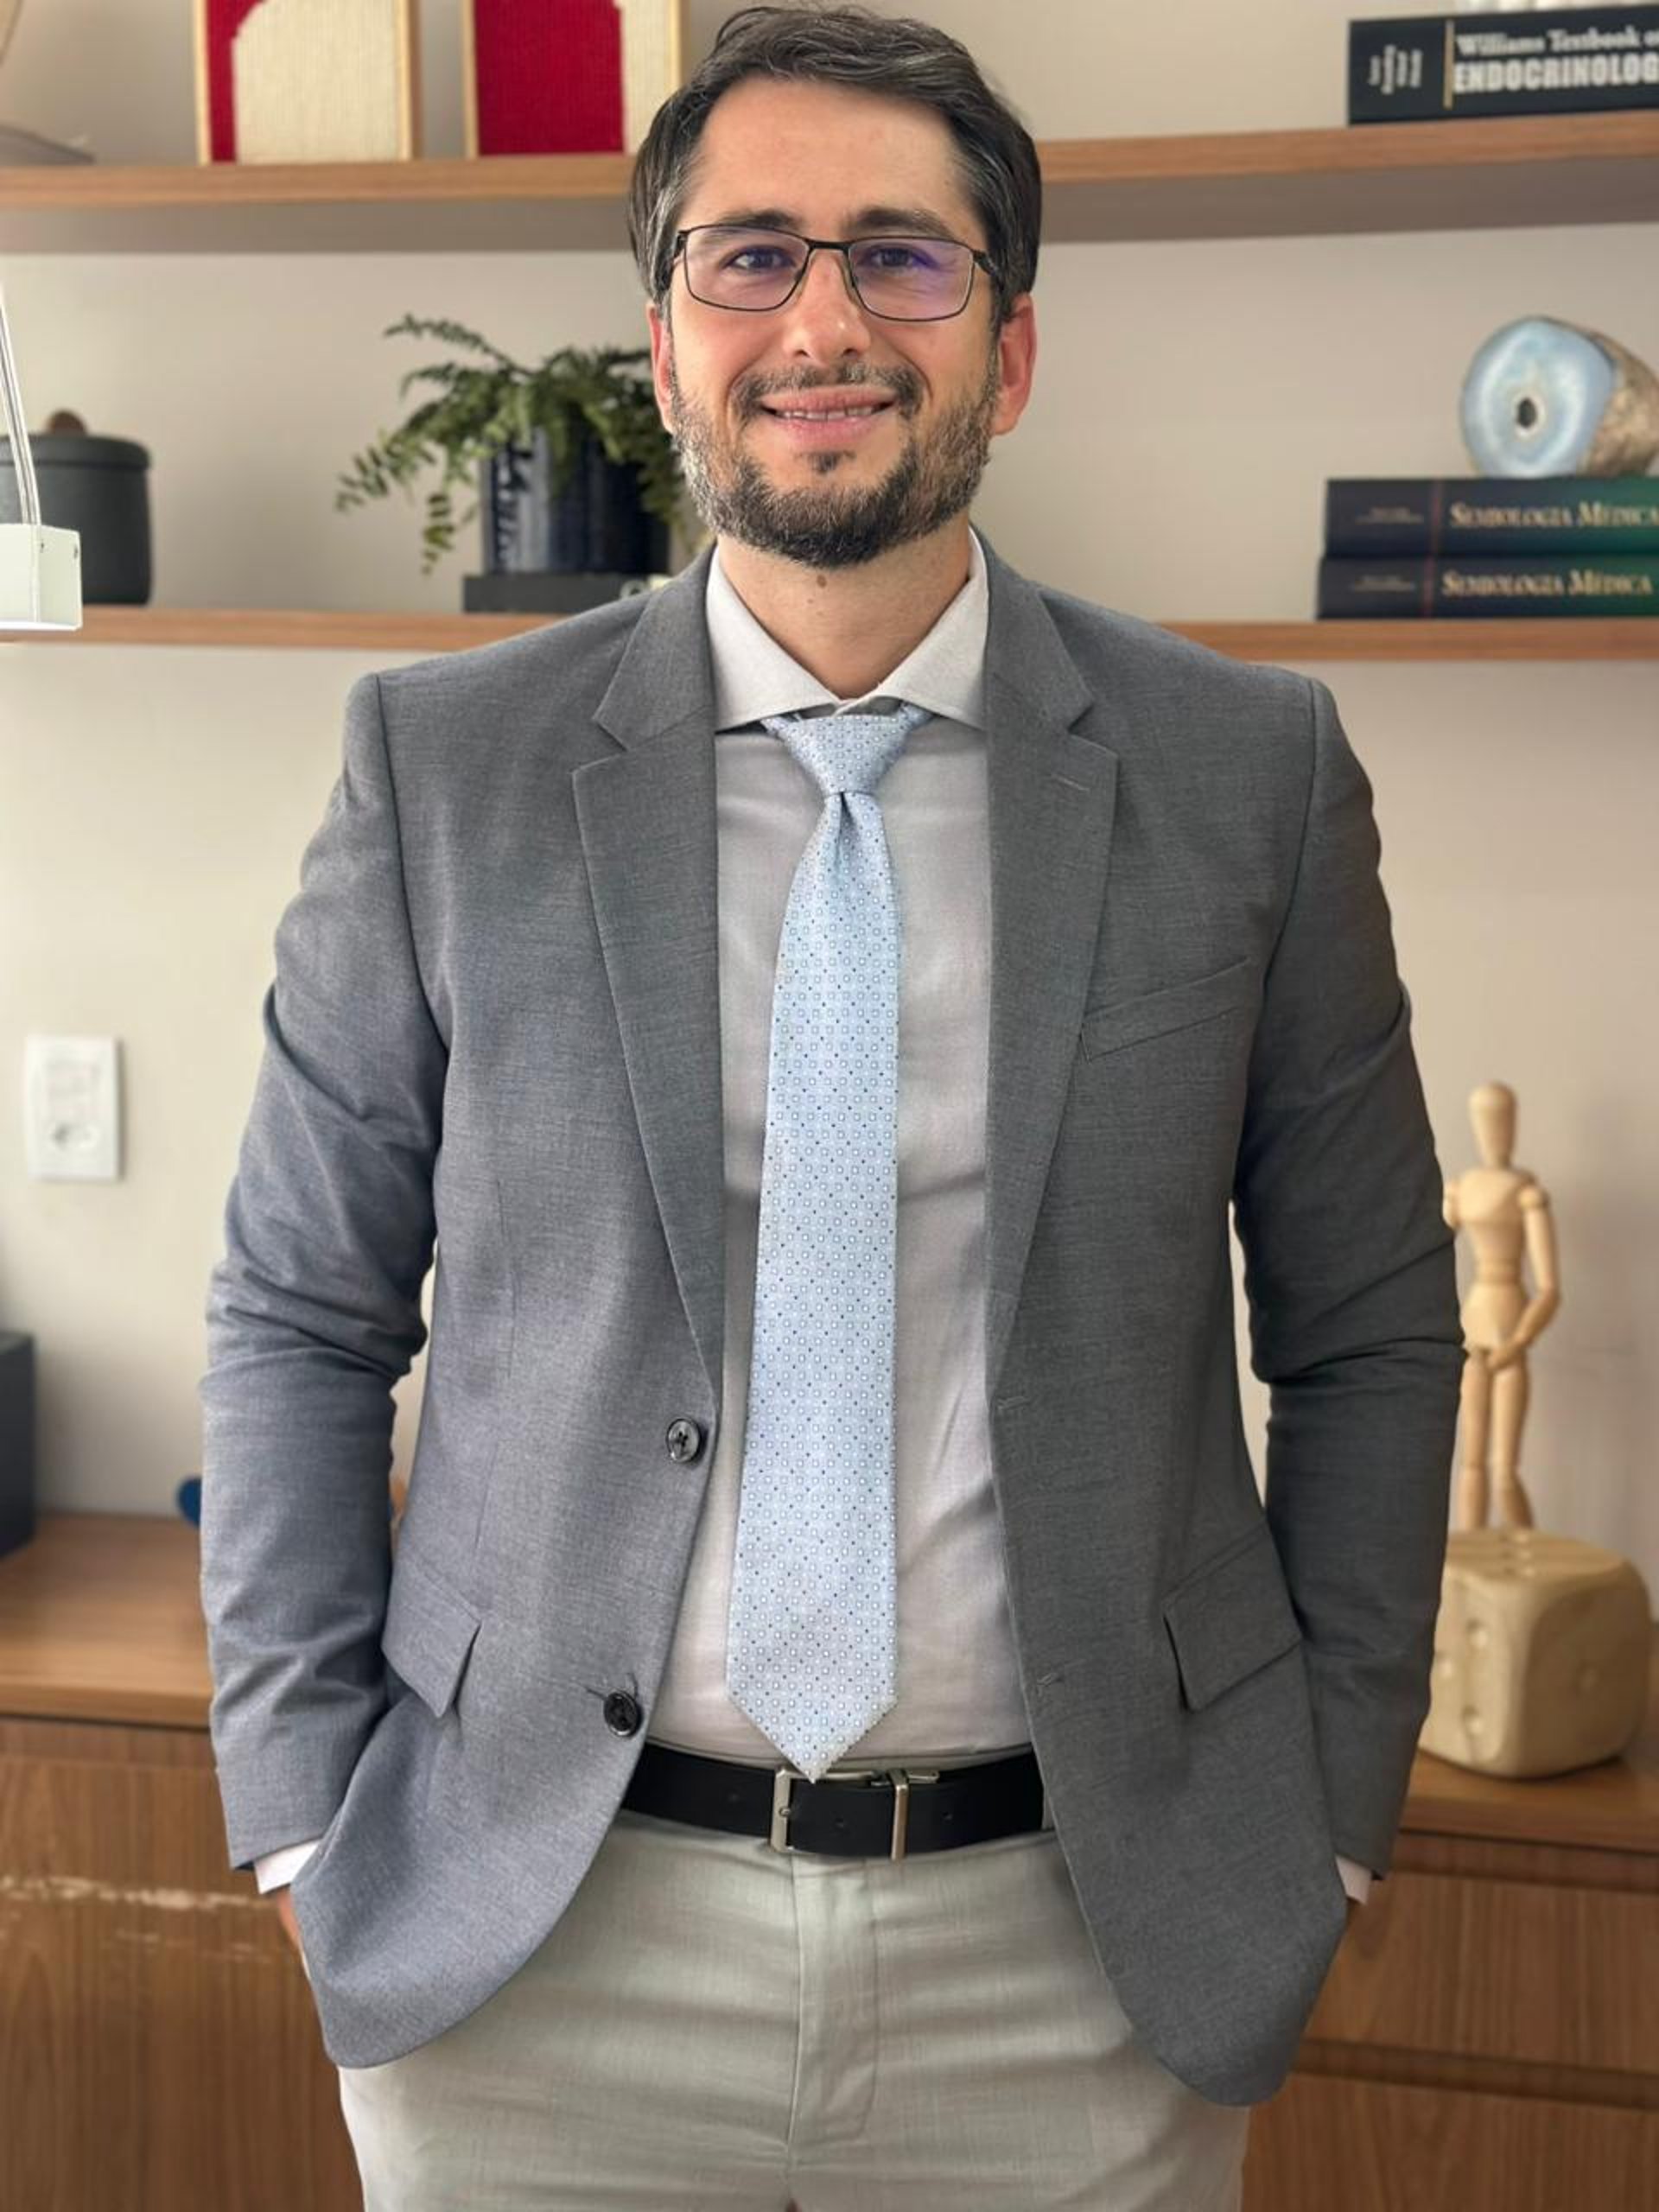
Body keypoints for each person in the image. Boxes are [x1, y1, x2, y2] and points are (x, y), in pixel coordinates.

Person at [198, 7, 1465, 2205]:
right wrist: (307, 1805)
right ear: (669, 342)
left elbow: (1371, 1324)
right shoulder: (448, 766)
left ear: (1012, 344)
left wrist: (1331, 1818)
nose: (824, 319)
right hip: (535, 1948)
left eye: (905, 258)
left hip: (1079, 1950)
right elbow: (300, 1308)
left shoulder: (1247, 775)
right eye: (748, 255)